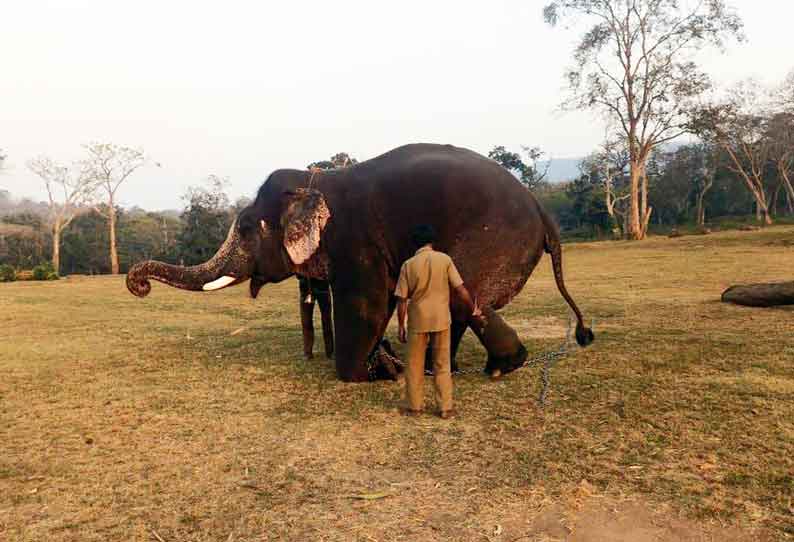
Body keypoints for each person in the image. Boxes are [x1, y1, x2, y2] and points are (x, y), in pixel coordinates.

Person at [395, 225, 482, 419]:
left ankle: (414, 407)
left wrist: (401, 325)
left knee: (414, 365)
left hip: (417, 320)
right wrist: (473, 309)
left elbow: (401, 300)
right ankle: (445, 408)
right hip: (442, 319)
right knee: (442, 364)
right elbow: (460, 289)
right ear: (432, 241)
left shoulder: (408, 265)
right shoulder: (445, 260)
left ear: (414, 242)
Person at [298, 276, 334, 360]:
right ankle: (307, 352)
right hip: (306, 291)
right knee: (306, 322)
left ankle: (330, 352)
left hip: (323, 290)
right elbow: (297, 272)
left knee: (327, 321)